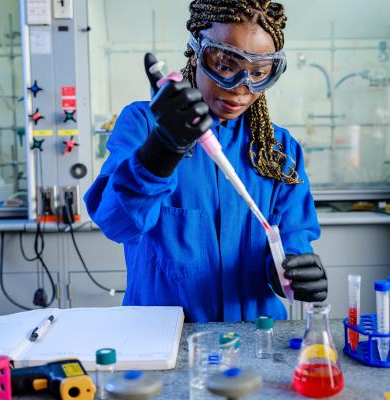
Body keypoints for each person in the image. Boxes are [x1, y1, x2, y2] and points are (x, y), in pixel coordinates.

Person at [85, 0, 327, 322]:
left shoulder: (278, 149)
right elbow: (116, 222)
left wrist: (290, 272)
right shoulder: (145, 124)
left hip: (256, 336)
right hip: (164, 339)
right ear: (196, 52)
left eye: (258, 73)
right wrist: (162, 149)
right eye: (226, 66)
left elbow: (292, 239)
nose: (242, 88)